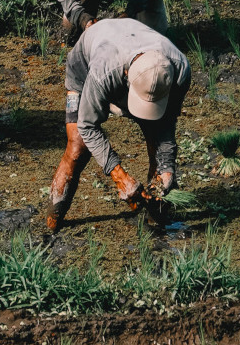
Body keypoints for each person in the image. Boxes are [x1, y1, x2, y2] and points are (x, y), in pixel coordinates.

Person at [47, 18, 190, 233]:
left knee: (158, 152)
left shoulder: (179, 71)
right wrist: (119, 176)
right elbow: (88, 126)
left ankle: (156, 226)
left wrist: (167, 168)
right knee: (77, 148)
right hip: (86, 65)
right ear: (126, 77)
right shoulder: (104, 70)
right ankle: (51, 227)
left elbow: (166, 126)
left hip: (133, 46)